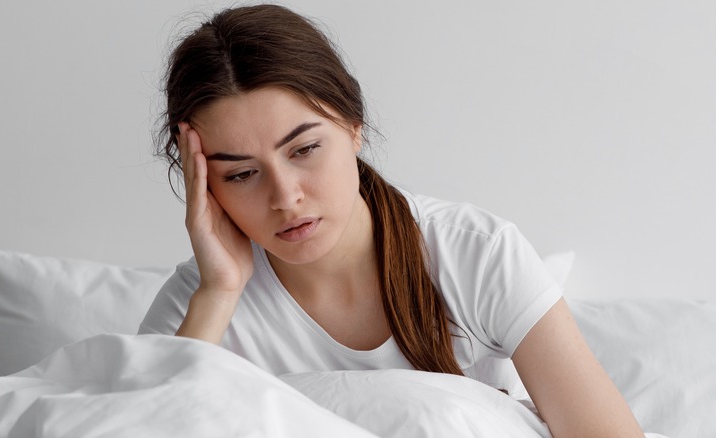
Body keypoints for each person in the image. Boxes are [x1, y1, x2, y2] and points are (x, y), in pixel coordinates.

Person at [139, 4, 644, 436]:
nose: (286, 197)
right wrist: (218, 295)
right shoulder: (198, 304)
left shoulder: (476, 253)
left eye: (305, 149)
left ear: (353, 126)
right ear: (204, 186)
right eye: (242, 174)